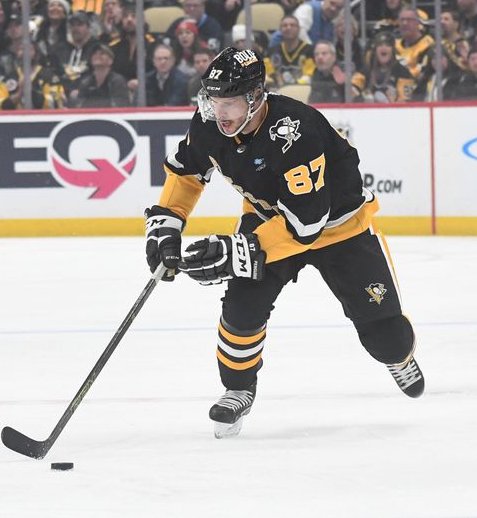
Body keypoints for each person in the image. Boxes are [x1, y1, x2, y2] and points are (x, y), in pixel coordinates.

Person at [143, 47, 424, 438]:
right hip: (267, 220)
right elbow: (188, 172)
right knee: (241, 308)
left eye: (230, 103)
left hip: (339, 228)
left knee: (387, 339)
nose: (219, 113)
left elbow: (307, 224)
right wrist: (168, 223)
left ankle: (399, 356)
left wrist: (235, 251)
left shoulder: (296, 130)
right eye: (215, 101)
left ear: (255, 97)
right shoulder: (210, 122)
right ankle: (238, 387)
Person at [71, 43, 130, 107]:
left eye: (102, 53)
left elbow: (121, 105)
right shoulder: (85, 83)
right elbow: (79, 106)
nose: (97, 56)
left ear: (110, 60)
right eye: (95, 54)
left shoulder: (118, 81)